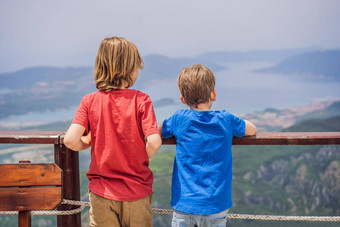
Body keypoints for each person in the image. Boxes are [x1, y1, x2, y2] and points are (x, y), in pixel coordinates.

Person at [64, 37, 162, 227]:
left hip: (102, 194)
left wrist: (88, 142)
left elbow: (70, 140)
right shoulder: (141, 100)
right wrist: (138, 156)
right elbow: (155, 141)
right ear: (128, 70)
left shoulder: (89, 101)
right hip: (137, 192)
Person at [159, 64, 257, 227]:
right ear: (214, 95)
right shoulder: (225, 119)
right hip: (215, 206)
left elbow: (158, 130)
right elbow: (252, 129)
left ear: (183, 99)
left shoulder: (179, 118)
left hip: (185, 205)